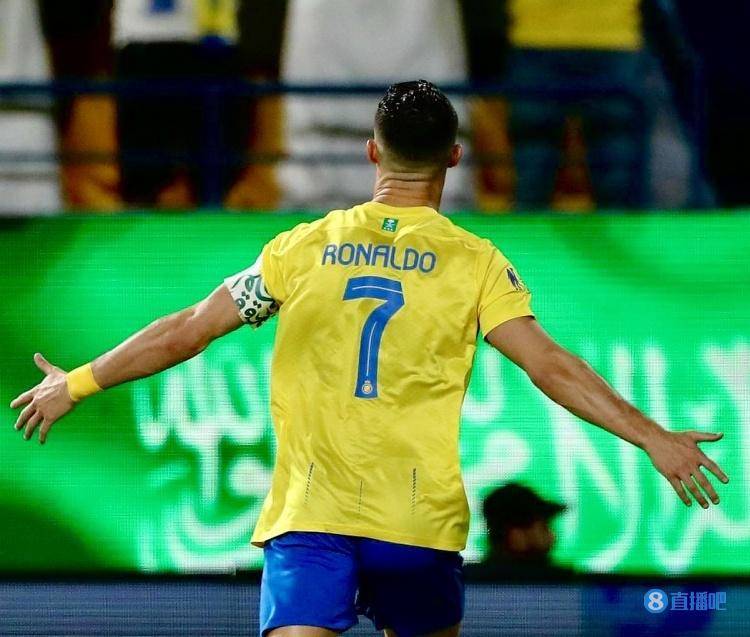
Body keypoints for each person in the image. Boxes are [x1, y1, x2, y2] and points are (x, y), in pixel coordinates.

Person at [10, 80, 729, 637]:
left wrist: (78, 382)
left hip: (311, 518)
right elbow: (550, 366)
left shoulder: (301, 249)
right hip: (415, 524)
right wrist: (651, 436)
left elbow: (188, 330)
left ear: (372, 152)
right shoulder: (476, 264)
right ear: (455, 156)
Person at [466, 483, 574, 581]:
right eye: (544, 527)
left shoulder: (465, 583)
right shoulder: (566, 584)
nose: (552, 535)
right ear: (516, 535)